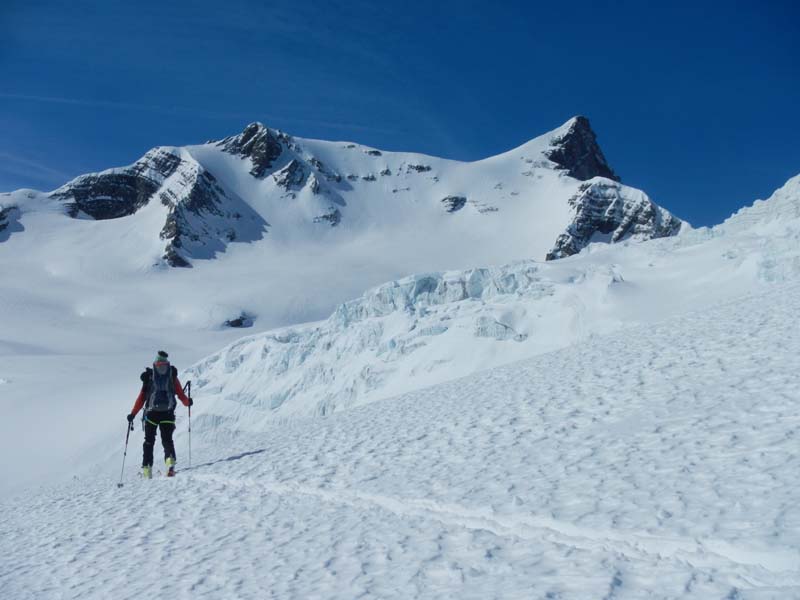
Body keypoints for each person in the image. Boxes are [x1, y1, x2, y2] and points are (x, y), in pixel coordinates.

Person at [127, 350, 192, 478]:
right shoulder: (171, 375)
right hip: (167, 413)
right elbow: (180, 394)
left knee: (149, 441)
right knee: (167, 439)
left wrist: (133, 413)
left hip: (151, 414)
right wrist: (187, 402)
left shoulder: (150, 376)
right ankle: (170, 462)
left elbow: (142, 398)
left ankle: (147, 470)